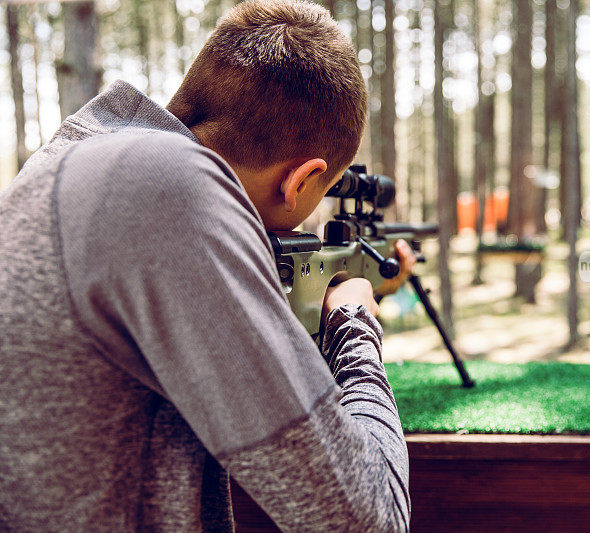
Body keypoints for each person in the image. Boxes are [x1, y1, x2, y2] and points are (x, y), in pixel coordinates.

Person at [0, 1, 415, 531]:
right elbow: (369, 518)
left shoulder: (84, 157)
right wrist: (355, 326)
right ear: (301, 180)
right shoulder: (175, 190)